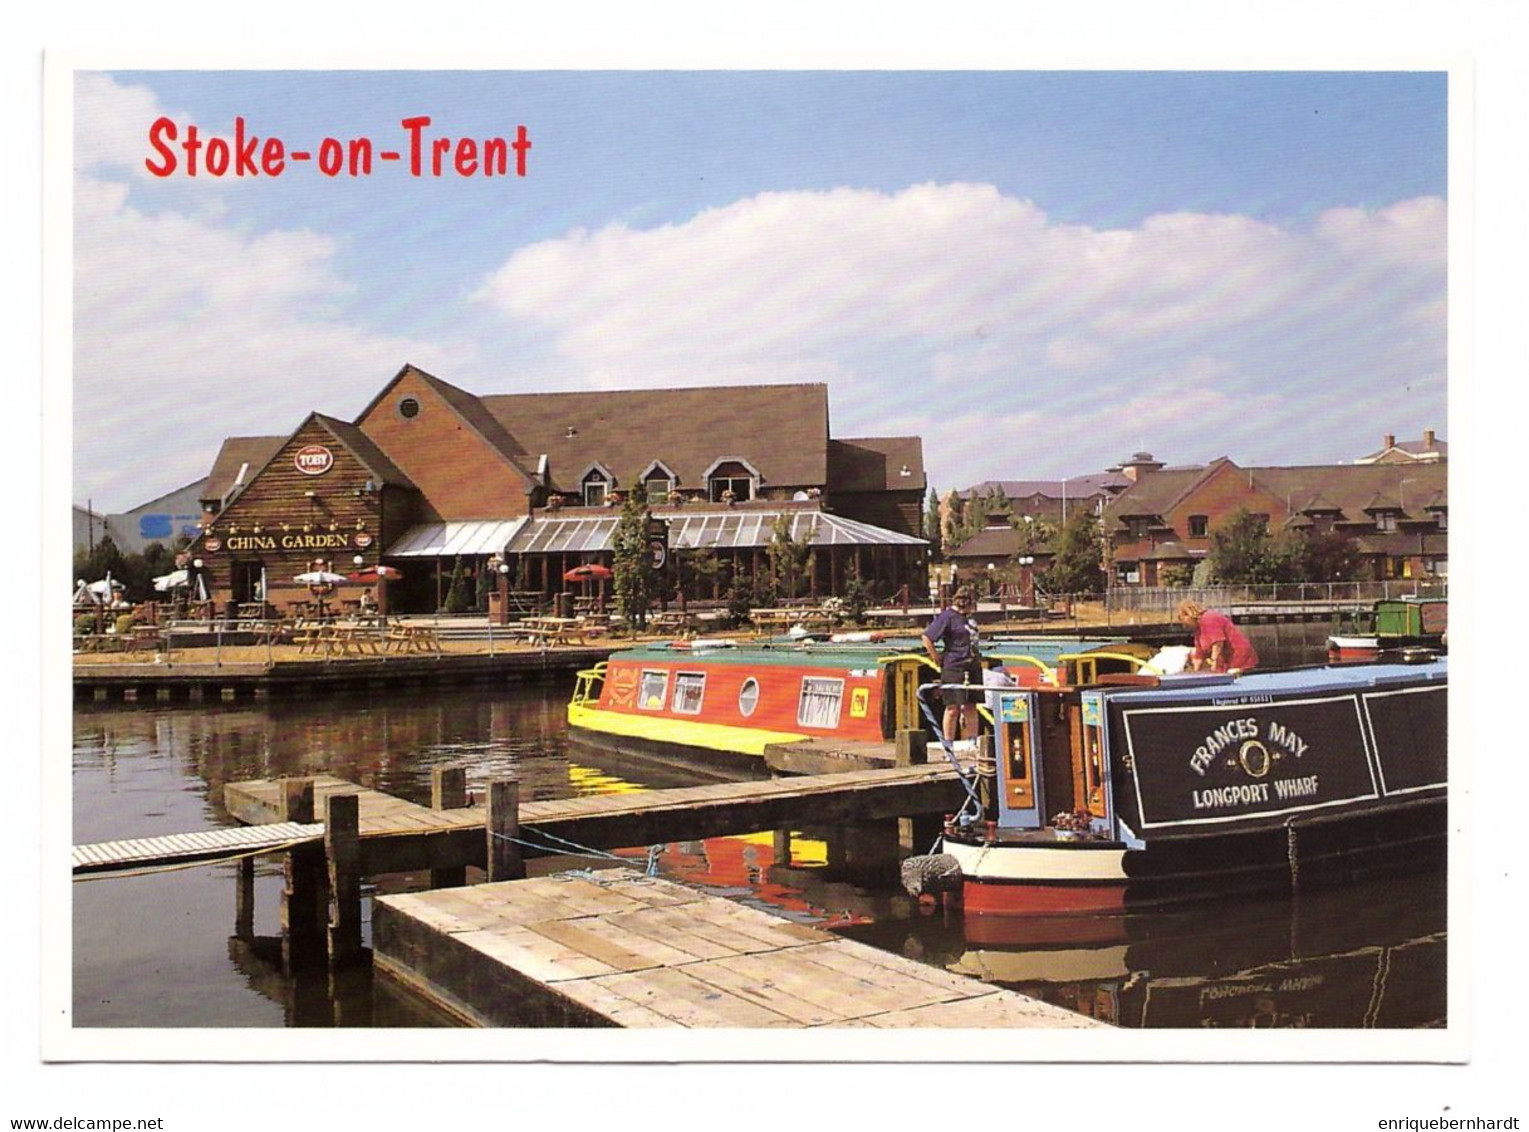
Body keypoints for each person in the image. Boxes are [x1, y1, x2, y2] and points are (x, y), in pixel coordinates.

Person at [923, 586, 982, 742]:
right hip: (954, 665)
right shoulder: (947, 617)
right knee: (952, 708)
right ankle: (948, 743)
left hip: (973, 664)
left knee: (971, 705)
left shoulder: (969, 618)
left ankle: (973, 741)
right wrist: (936, 657)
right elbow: (927, 637)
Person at [1177, 600, 1258, 674]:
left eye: (1183, 620)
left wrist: (1213, 662)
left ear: (1189, 614)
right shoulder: (1198, 630)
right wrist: (1195, 673)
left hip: (1238, 656)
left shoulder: (1209, 618)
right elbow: (1199, 655)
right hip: (1225, 661)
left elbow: (1218, 642)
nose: (1184, 625)